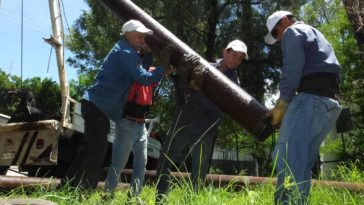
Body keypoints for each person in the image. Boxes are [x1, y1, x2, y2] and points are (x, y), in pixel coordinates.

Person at [62, 19, 172, 190]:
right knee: (96, 153)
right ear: (127, 34)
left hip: (93, 104)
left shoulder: (124, 50)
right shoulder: (127, 53)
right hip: (98, 107)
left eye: (144, 36)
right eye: (139, 35)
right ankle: (84, 192)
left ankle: (68, 186)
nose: (143, 38)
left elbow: (139, 70)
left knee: (88, 150)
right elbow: (144, 78)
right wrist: (164, 64)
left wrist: (149, 55)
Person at [155, 40, 248, 203]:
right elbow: (180, 86)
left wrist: (198, 88)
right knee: (166, 159)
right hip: (185, 119)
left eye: (240, 58)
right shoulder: (204, 65)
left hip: (206, 128)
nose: (236, 60)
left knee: (199, 171)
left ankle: (190, 201)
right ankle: (160, 199)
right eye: (234, 55)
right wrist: (183, 75)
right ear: (225, 52)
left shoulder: (234, 83)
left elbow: (223, 104)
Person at [264, 11, 342, 204]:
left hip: (310, 100)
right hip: (329, 105)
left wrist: (282, 103)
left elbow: (292, 69)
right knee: (302, 162)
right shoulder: (317, 34)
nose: (279, 40)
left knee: (286, 157)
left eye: (275, 34)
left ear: (283, 22)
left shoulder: (293, 32)